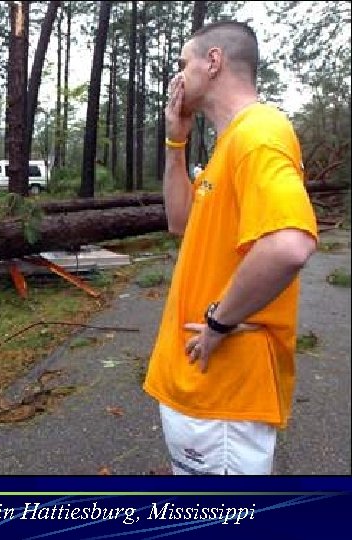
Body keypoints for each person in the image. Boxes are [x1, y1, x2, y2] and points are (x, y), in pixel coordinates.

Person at [143, 21, 318, 475]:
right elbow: (180, 221)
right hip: (201, 392)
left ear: (214, 61)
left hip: (225, 394)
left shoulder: (260, 132)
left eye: (184, 64)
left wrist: (218, 322)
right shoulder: (232, 144)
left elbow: (289, 244)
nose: (178, 76)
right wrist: (175, 141)